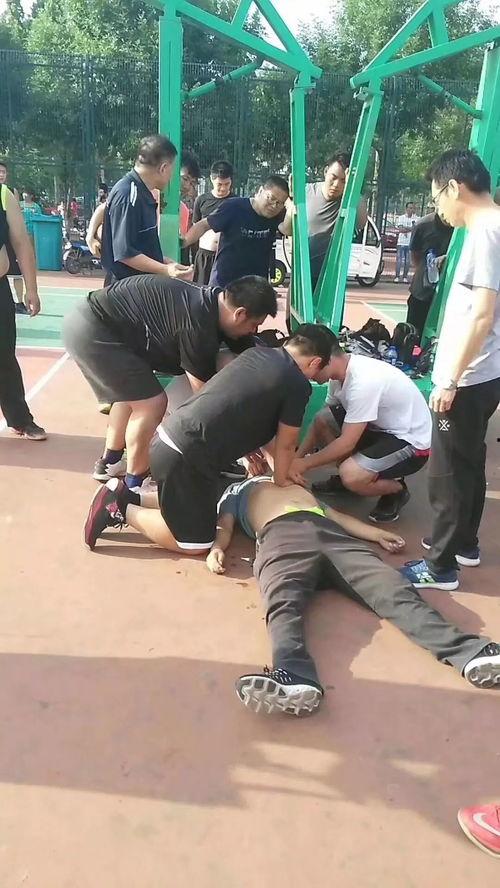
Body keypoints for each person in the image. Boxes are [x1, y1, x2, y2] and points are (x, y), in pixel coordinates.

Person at [206, 476, 500, 715]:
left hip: (333, 537)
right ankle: (293, 674)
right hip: (281, 537)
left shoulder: (294, 482)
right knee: (282, 600)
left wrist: (375, 534)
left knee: (393, 589)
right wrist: (217, 548)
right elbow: (225, 525)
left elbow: (336, 516)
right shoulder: (236, 491)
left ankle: (469, 652)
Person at [82, 324, 337, 552]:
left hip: (172, 439)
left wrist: (261, 455)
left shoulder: (257, 355)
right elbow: (287, 443)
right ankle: (119, 508)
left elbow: (241, 410)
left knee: (202, 509)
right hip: (186, 455)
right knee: (196, 542)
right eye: (317, 372)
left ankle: (130, 497)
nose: (313, 379)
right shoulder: (297, 383)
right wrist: (280, 480)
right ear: (315, 362)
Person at [64, 274, 277, 490]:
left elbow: (247, 362)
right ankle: (135, 483)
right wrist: (243, 445)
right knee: (151, 404)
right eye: (254, 325)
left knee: (131, 393)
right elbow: (207, 400)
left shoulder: (215, 304)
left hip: (95, 321)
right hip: (93, 329)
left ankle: (110, 462)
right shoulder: (197, 325)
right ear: (240, 314)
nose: (254, 331)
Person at [400, 149, 500, 591]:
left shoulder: (485, 232)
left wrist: (450, 380)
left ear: (454, 188)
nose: (438, 208)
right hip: (486, 372)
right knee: (469, 460)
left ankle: (439, 566)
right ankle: (463, 544)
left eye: (437, 196)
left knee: (445, 472)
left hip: (469, 376)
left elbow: (482, 314)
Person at [291, 336, 431, 522]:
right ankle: (351, 479)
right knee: (323, 419)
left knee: (351, 475)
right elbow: (321, 422)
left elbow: (347, 443)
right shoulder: (338, 376)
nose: (305, 374)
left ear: (323, 360)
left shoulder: (363, 382)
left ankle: (396, 490)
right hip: (379, 429)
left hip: (410, 442)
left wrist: (305, 464)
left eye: (305, 366)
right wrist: (296, 460)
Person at [98, 134, 192, 285]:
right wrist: (166, 270)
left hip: (139, 287)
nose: (171, 177)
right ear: (163, 168)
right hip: (125, 289)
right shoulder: (128, 195)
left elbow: (139, 247)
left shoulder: (142, 193)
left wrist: (164, 262)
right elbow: (125, 254)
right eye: (172, 170)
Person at [181, 175, 290, 288]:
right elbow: (204, 225)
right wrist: (183, 242)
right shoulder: (234, 207)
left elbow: (286, 230)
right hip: (224, 282)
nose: (274, 205)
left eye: (279, 203)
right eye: (271, 198)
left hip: (255, 287)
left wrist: (291, 207)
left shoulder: (277, 216)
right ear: (260, 191)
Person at [0, 182, 46, 440]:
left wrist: (31, 288)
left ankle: (19, 419)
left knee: (4, 356)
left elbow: (21, 242)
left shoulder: (3, 194)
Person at [406, 210, 453, 339]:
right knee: (414, 335)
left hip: (449, 293)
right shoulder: (422, 225)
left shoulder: (463, 227)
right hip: (422, 292)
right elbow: (415, 256)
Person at [191, 160, 234, 285]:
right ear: (211, 179)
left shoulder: (236, 201)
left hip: (226, 257)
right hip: (204, 256)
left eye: (227, 184)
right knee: (201, 291)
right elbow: (195, 229)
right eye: (219, 184)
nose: (223, 188)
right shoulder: (201, 200)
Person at [0, 160, 26, 313]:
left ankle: (19, 302)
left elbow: (16, 216)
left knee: (17, 273)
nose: (1, 174)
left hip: (10, 238)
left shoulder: (9, 192)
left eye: (3, 172)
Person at [394, 201, 420, 283]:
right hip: (401, 242)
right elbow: (400, 229)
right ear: (406, 208)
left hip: (410, 242)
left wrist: (406, 228)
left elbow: (415, 229)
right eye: (410, 208)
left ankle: (405, 277)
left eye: (413, 208)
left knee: (407, 261)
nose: (411, 210)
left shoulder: (416, 219)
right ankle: (397, 276)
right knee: (399, 260)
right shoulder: (401, 218)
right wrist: (410, 229)